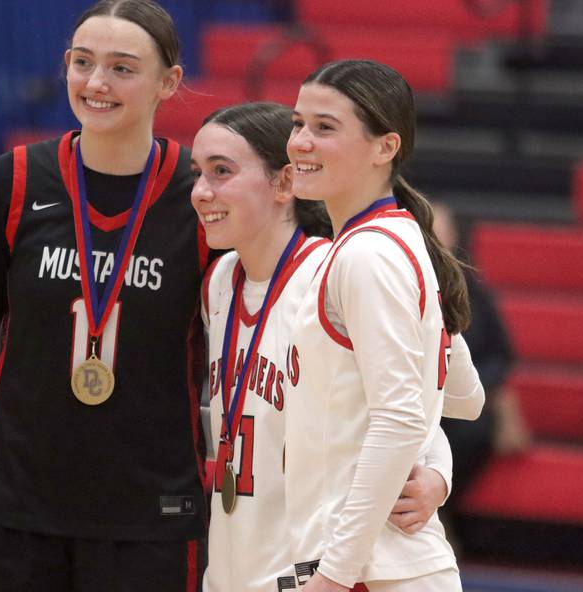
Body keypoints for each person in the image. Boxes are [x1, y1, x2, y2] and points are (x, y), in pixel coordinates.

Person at [0, 2, 211, 590]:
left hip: (150, 519)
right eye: (82, 62)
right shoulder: (13, 180)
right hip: (10, 511)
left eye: (122, 68)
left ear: (169, 82)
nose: (96, 83)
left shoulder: (201, 198)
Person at [191, 101, 484, 592]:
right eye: (197, 173)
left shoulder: (343, 270)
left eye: (221, 172)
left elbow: (452, 391)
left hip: (318, 570)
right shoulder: (219, 281)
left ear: (285, 183)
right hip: (235, 565)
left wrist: (438, 470)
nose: (201, 192)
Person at [283, 60, 482, 592]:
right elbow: (461, 395)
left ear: (384, 147)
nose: (301, 141)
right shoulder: (395, 239)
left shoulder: (369, 255)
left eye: (325, 127)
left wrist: (333, 576)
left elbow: (399, 418)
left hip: (373, 570)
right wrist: (435, 471)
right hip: (377, 563)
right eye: (298, 123)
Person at [432, 202, 531, 509]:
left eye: (440, 230)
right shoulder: (396, 284)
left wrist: (480, 386)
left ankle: (442, 506)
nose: (433, 238)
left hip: (463, 398)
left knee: (473, 430)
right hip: (414, 400)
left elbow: (500, 354)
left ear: (454, 235)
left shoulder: (472, 290)